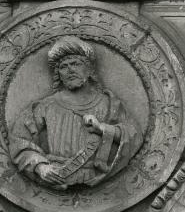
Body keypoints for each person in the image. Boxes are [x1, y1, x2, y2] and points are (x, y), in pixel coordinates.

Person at [8, 36, 143, 189]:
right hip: (58, 176)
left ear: (89, 69)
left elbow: (134, 135)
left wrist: (103, 129)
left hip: (94, 177)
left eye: (75, 64)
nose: (70, 70)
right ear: (58, 74)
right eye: (63, 67)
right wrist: (40, 167)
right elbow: (19, 141)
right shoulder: (45, 106)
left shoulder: (109, 103)